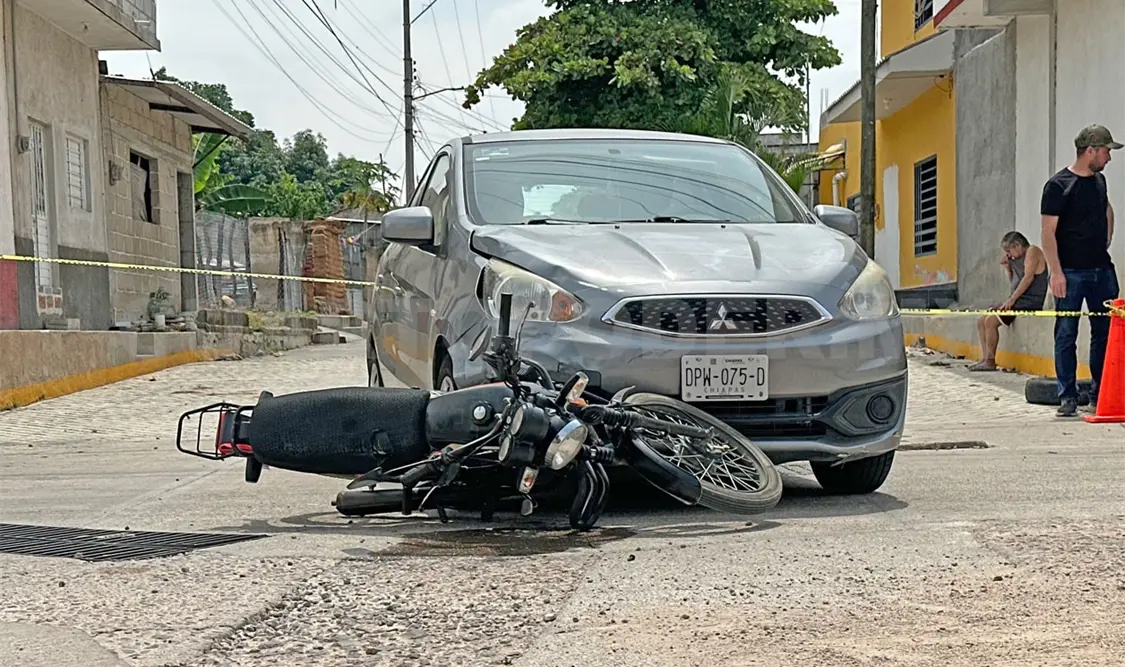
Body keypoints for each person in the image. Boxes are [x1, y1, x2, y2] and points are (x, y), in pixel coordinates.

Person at [1040, 124, 1122, 417]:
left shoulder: (1099, 182)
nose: (1108, 158)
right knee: (1066, 334)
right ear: (1090, 151)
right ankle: (1068, 396)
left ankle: (1100, 391)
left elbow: (1106, 209)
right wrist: (1056, 272)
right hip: (1071, 272)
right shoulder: (1058, 186)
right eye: (1105, 152)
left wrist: (1107, 237)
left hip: (1102, 270)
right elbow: (1048, 233)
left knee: (1105, 333)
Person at [969, 231, 1049, 372]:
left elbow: (1028, 278)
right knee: (982, 320)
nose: (1009, 254)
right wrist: (1008, 268)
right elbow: (1015, 282)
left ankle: (990, 361)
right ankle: (985, 357)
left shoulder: (1033, 252)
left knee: (991, 321)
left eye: (1009, 250)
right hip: (1018, 299)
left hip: (1030, 301)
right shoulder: (1015, 259)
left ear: (1017, 245)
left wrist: (1011, 300)